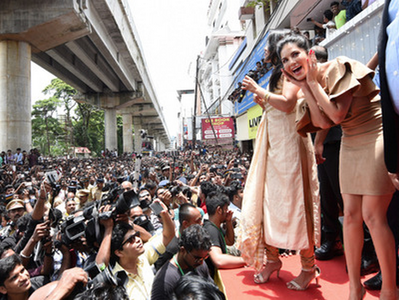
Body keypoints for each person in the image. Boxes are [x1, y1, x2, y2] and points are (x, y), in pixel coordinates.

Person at [277, 33, 396, 299]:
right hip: (350, 142)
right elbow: (323, 124)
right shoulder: (308, 85)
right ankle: (355, 288)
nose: (291, 62)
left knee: (373, 217)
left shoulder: (339, 65)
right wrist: (307, 88)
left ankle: (390, 289)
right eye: (285, 60)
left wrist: (310, 85)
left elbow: (337, 114)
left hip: (376, 134)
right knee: (351, 216)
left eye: (295, 54)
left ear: (308, 54)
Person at [239, 31, 320, 291]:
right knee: (268, 205)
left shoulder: (289, 72)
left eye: (266, 47)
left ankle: (308, 268)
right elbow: (277, 108)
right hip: (274, 148)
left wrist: (258, 90)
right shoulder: (277, 72)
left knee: (298, 207)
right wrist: (263, 101)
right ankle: (273, 260)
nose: (263, 52)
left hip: (290, 150)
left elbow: (287, 105)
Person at [311, 45, 344, 261]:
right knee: (327, 197)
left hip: (333, 144)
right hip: (319, 146)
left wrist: (319, 142)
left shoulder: (331, 75)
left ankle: (366, 249)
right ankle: (332, 240)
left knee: (343, 195)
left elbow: (329, 114)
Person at [151, 224, 212, 300]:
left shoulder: (199, 263)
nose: (201, 262)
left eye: (205, 257)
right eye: (197, 258)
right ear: (183, 250)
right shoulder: (165, 281)